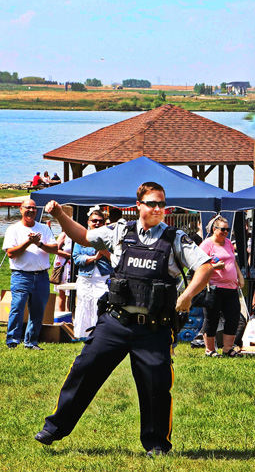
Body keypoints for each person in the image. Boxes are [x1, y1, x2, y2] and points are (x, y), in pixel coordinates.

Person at [35, 182, 213, 456]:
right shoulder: (120, 231)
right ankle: (54, 428)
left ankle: (156, 444)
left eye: (162, 204)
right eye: (152, 203)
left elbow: (204, 266)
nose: (158, 209)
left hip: (154, 329)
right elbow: (83, 237)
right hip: (115, 323)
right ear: (138, 205)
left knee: (156, 386)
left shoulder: (175, 239)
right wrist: (60, 215)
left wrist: (187, 296)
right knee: (84, 370)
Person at [2, 199, 58, 349]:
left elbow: (54, 248)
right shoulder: (13, 229)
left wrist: (39, 243)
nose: (31, 211)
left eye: (33, 208)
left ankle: (31, 341)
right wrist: (29, 242)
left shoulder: (44, 229)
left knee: (38, 310)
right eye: (28, 208)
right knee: (17, 308)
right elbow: (11, 253)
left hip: (41, 276)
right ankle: (12, 341)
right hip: (21, 276)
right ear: (21, 209)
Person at [200, 215, 245, 357]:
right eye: (223, 230)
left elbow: (234, 261)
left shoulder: (228, 243)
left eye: (227, 230)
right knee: (211, 319)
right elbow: (198, 265)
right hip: (214, 287)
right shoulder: (207, 244)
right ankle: (210, 350)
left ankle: (228, 348)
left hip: (231, 287)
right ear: (214, 229)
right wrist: (214, 266)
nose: (225, 232)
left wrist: (240, 276)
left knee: (233, 317)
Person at [71, 209, 112, 338]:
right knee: (84, 303)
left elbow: (116, 259)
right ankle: (82, 334)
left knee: (100, 304)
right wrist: (94, 258)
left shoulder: (109, 238)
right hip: (85, 276)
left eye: (100, 221)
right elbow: (76, 257)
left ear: (104, 223)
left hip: (103, 276)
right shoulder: (82, 237)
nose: (97, 223)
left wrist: (104, 252)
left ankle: (100, 334)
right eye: (94, 221)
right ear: (88, 222)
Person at [52, 205, 74, 312]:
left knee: (71, 293)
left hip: (73, 267)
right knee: (62, 293)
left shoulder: (76, 235)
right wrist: (69, 256)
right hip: (64, 266)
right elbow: (55, 249)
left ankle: (70, 316)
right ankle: (61, 318)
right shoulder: (64, 235)